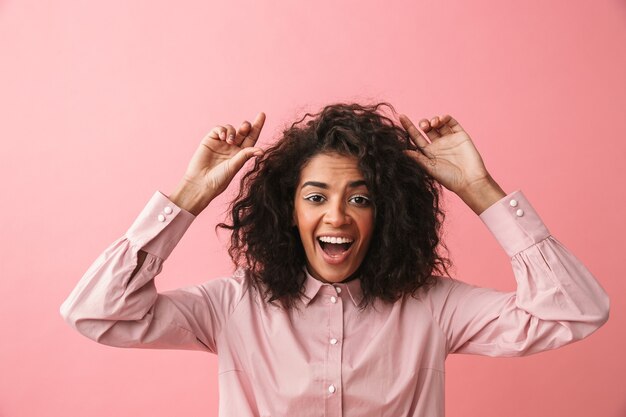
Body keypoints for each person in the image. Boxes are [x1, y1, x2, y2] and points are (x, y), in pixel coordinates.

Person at [60, 102, 610, 417]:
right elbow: (98, 314)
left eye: (361, 198)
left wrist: (480, 189)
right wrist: (187, 197)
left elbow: (574, 313)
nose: (338, 217)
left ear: (387, 212)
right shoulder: (230, 305)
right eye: (316, 197)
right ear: (288, 210)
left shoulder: (435, 306)